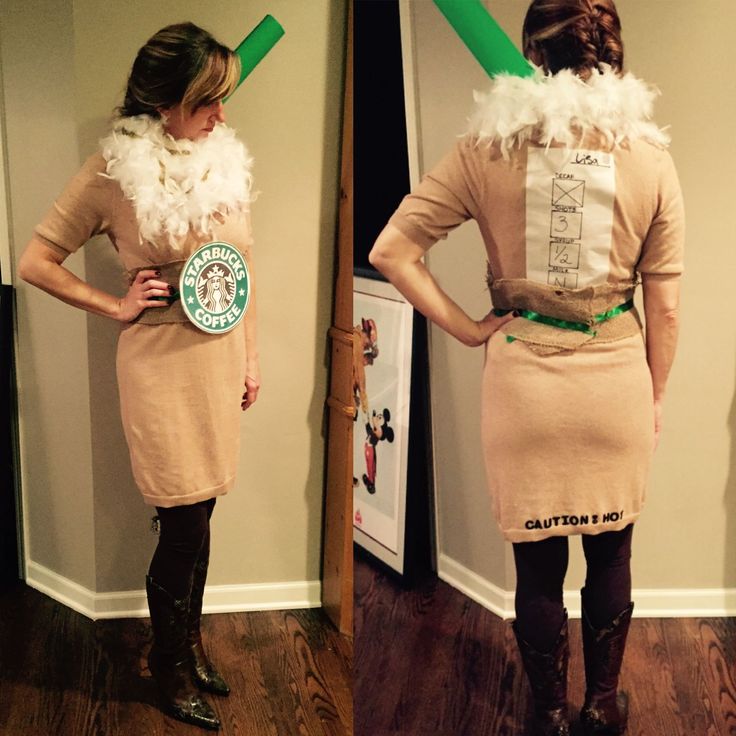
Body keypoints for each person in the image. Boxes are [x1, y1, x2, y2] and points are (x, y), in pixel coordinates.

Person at [369, 1, 683, 734]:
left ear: (530, 58)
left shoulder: (486, 150)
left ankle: (545, 713)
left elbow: (390, 250)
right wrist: (655, 394)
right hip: (616, 385)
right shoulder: (650, 156)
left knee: (538, 569)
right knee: (610, 555)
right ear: (613, 54)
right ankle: (602, 710)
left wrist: (470, 331)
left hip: (523, 389)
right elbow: (666, 313)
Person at [19, 23, 261, 732]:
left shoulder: (225, 159)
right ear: (164, 104)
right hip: (158, 363)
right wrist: (114, 304)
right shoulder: (111, 171)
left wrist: (251, 357)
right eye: (208, 101)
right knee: (181, 518)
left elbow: (245, 266)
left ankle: (189, 646)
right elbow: (38, 259)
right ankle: (169, 664)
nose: (222, 115)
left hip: (218, 358)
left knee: (204, 509)